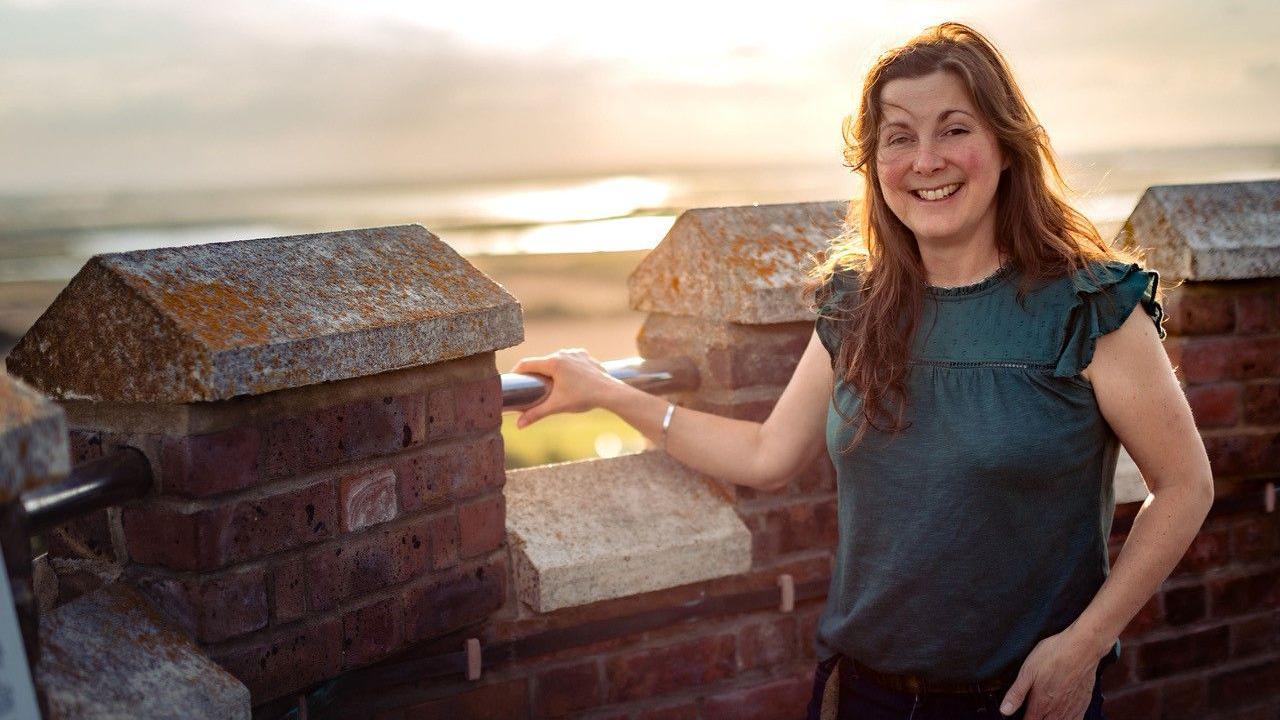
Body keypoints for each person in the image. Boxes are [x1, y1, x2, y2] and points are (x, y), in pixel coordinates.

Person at [508, 22, 1214, 720]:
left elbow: (1184, 485)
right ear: (876, 163)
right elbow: (764, 454)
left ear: (1006, 146)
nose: (926, 159)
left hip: (1016, 703)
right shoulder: (860, 307)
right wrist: (608, 391)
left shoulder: (1089, 306)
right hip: (862, 695)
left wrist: (1085, 645)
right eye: (899, 136)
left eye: (955, 129)